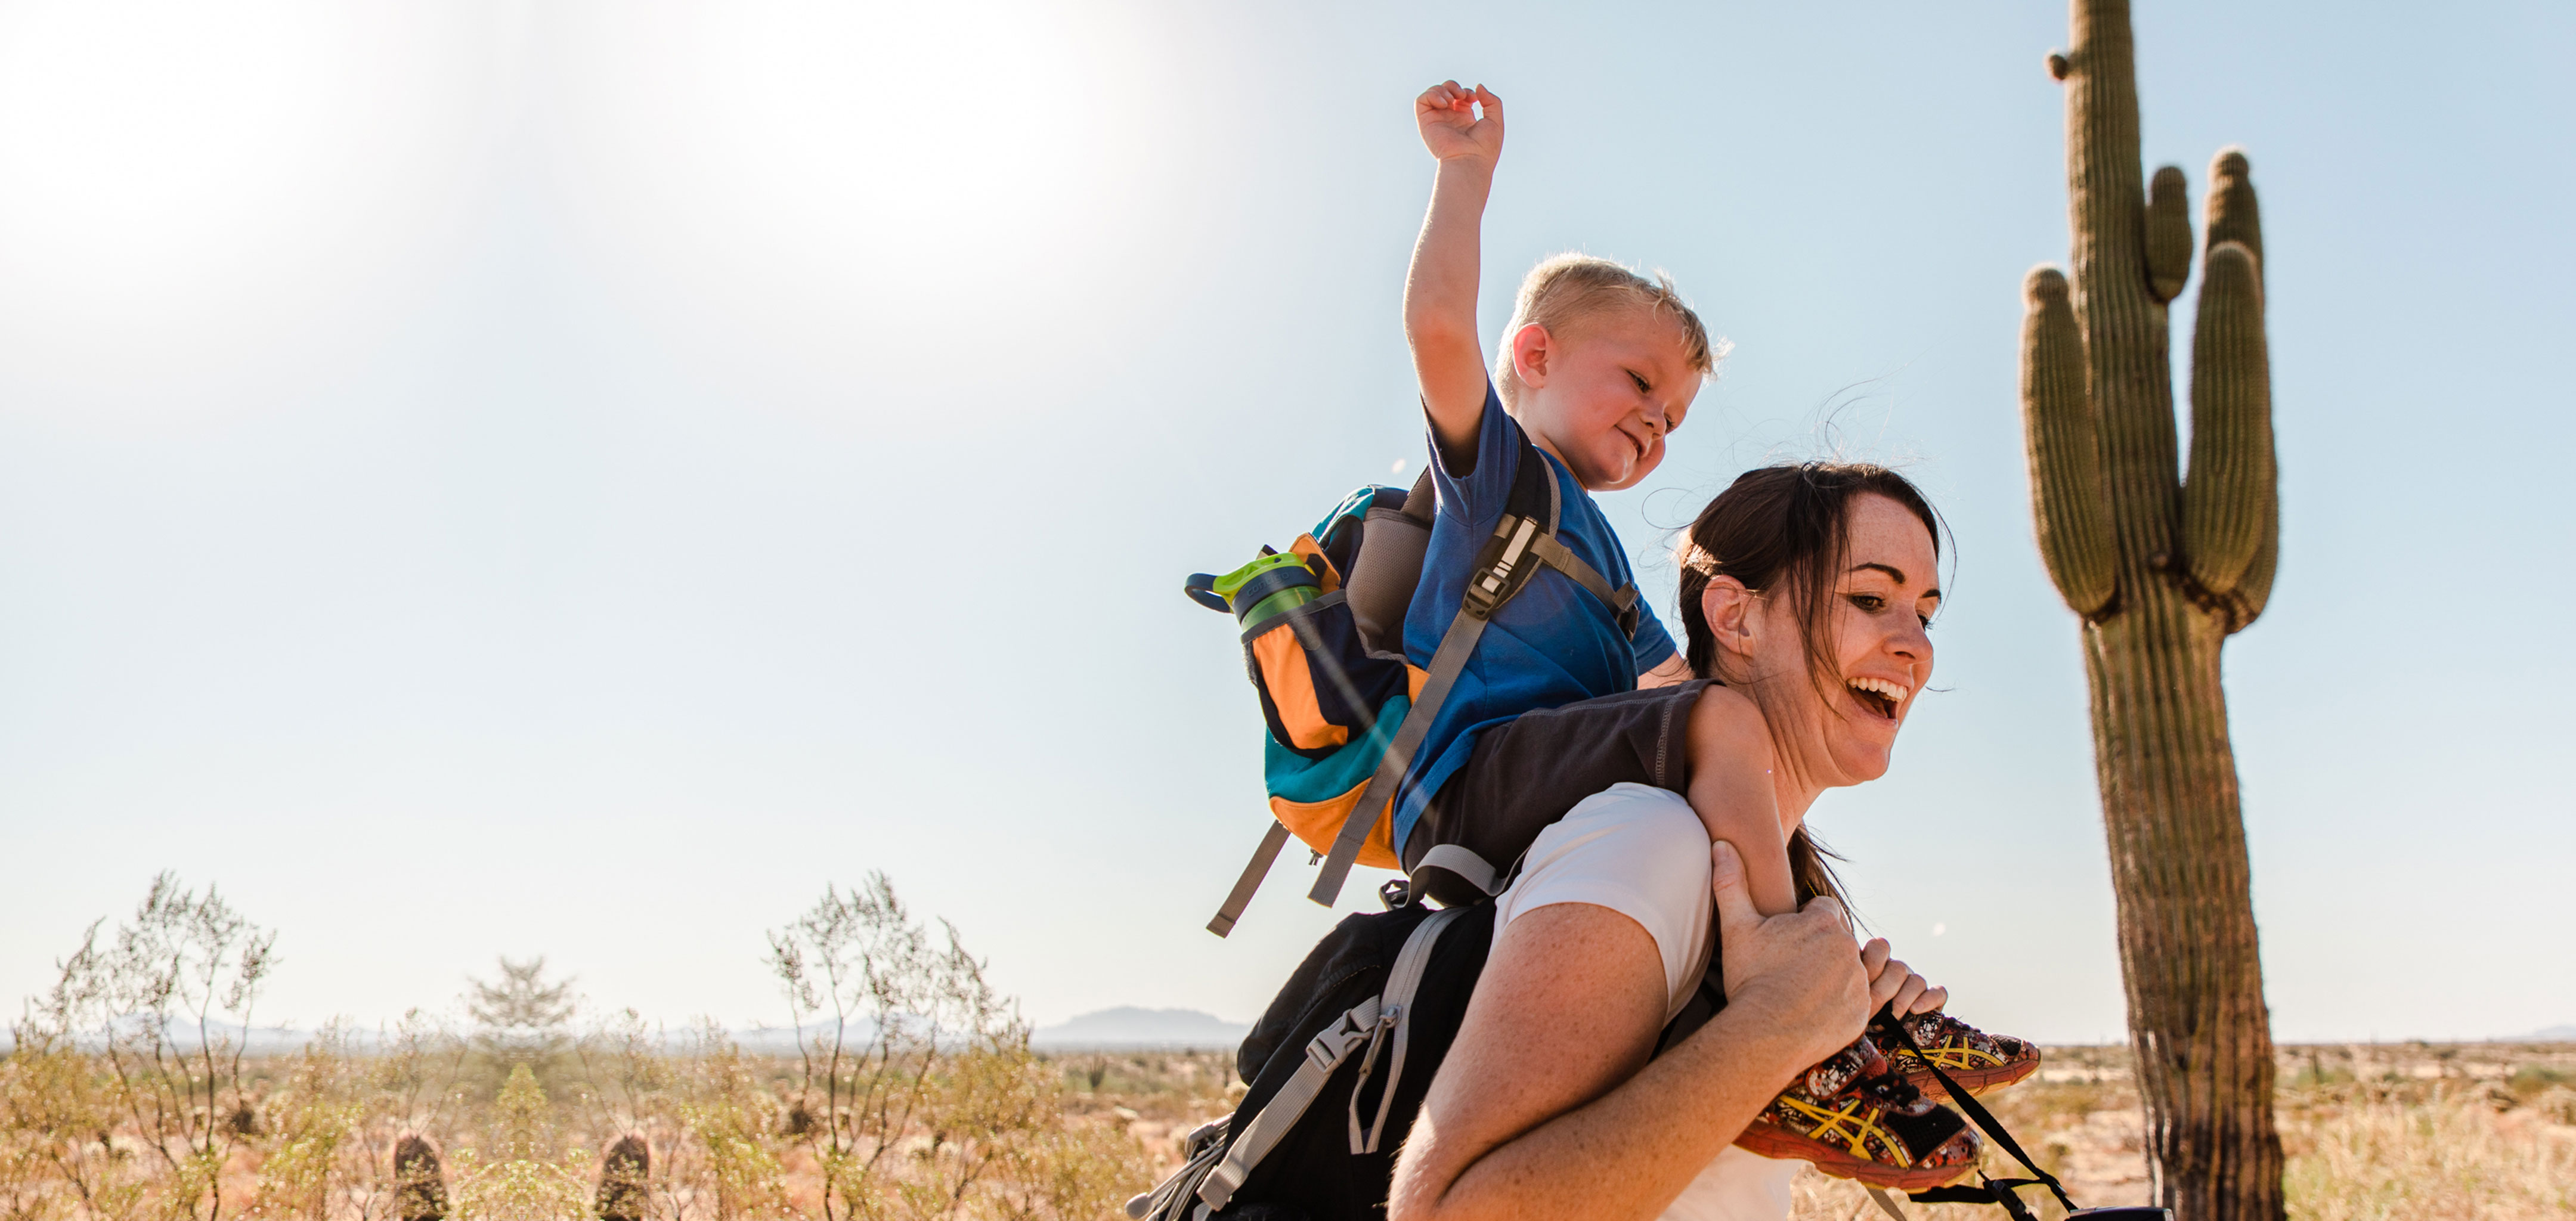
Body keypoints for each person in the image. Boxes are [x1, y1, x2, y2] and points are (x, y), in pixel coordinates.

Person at [1394, 79, 2028, 1183]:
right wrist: (1465, 176)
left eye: (1675, 415)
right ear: (1535, 357)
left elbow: (1679, 690)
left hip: (1547, 782)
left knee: (1731, 754)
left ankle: (1848, 1019)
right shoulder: (1499, 475)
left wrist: (1773, 790)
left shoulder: (1602, 565)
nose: (1655, 420)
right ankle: (1795, 1017)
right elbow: (1441, 328)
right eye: (1637, 382)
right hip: (1469, 784)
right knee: (1724, 726)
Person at [1388, 465, 1973, 1220]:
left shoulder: (1758, 879)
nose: (1914, 649)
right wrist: (1781, 1025)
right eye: (1869, 599)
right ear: (1735, 617)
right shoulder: (1651, 839)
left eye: (1924, 615)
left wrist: (1839, 1011)